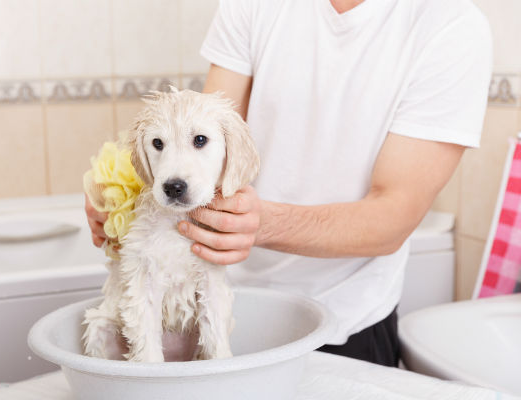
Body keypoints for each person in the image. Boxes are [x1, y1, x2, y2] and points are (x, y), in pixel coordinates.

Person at [86, 0, 492, 367]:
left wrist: (264, 224)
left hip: (345, 321)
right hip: (223, 302)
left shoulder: (450, 26)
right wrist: (122, 198)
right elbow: (203, 145)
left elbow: (394, 215)